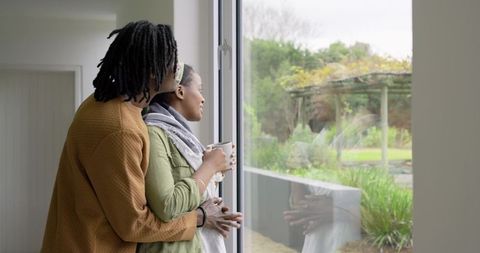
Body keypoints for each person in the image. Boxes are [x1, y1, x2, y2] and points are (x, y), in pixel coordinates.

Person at [41, 20, 227, 253]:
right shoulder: (120, 130)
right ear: (152, 70)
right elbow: (134, 223)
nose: (178, 66)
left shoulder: (105, 103)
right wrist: (199, 217)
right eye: (171, 58)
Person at [138, 63, 242, 253]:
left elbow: (187, 195)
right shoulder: (154, 133)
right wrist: (209, 167)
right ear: (179, 91)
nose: (203, 98)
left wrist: (215, 171)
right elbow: (168, 206)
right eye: (199, 89)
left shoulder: (181, 135)